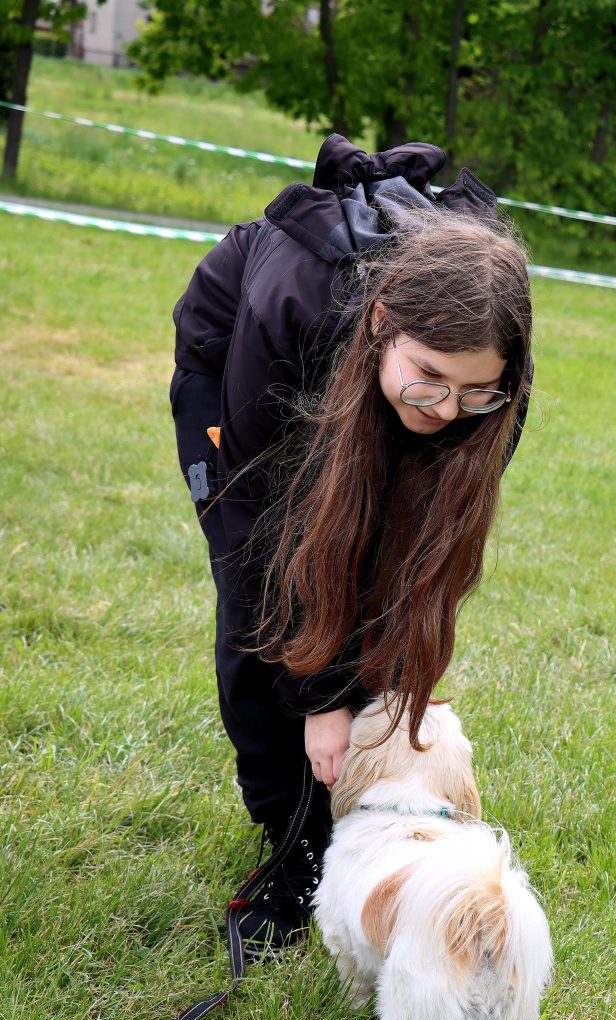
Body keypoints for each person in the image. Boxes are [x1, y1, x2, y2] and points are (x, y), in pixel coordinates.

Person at [169, 134, 534, 956]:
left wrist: (384, 674)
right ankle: (293, 843)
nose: (448, 409)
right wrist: (318, 699)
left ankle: (371, 812)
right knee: (258, 614)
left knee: (375, 578)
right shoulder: (295, 303)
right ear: (381, 325)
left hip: (363, 370)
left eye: (476, 390)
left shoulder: (491, 378)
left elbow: (417, 561)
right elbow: (267, 546)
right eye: (429, 376)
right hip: (238, 366)